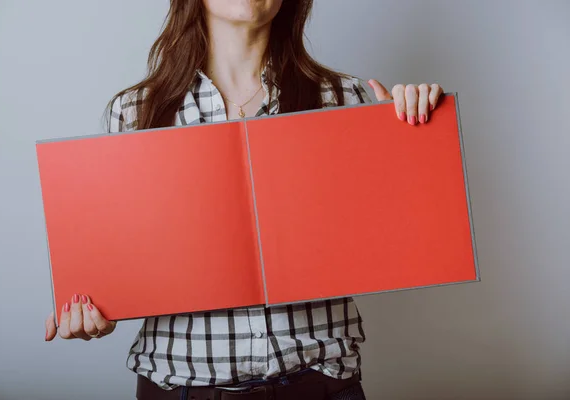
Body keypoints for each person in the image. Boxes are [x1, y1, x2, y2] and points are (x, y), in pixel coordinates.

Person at [45, 1, 443, 399]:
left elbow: (399, 240)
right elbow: (121, 268)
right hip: (180, 387)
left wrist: (415, 139)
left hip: (320, 386)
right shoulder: (134, 114)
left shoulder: (344, 98)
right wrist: (95, 308)